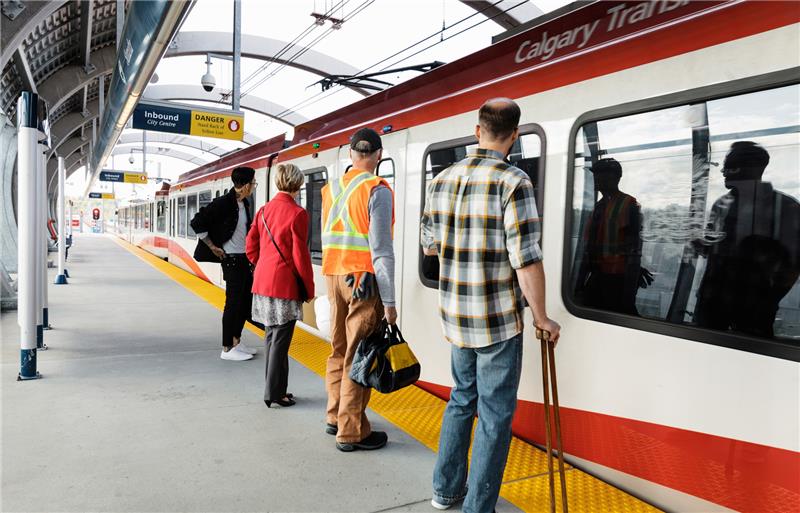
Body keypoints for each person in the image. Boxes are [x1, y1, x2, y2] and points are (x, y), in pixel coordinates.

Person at [421, 98, 561, 513]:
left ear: (477, 129)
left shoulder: (442, 179)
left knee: (461, 399)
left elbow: (430, 246)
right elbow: (526, 258)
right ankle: (477, 507)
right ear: (514, 135)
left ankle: (445, 492)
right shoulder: (514, 181)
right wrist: (541, 316)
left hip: (456, 316)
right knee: (496, 416)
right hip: (497, 321)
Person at [321, 127, 396, 452]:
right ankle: (351, 431)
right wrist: (390, 301)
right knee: (359, 354)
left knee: (339, 348)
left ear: (351, 155)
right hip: (362, 279)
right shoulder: (376, 190)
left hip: (333, 274)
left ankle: (335, 415)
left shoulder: (331, 189)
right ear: (378, 155)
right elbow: (381, 250)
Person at [694, 141, 800, 337]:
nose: (723, 171)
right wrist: (702, 244)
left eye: (729, 166)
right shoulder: (721, 205)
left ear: (753, 168)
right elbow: (712, 248)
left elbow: (793, 265)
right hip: (712, 305)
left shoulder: (786, 208)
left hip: (752, 311)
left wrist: (767, 302)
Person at [246, 163, 315, 408]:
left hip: (262, 284)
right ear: (298, 184)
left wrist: (262, 264)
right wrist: (309, 288)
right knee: (280, 341)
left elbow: (250, 245)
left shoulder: (263, 210)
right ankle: (273, 393)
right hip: (284, 287)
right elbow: (301, 257)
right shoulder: (298, 213)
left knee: (271, 337)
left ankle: (278, 389)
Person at [190, 166, 259, 361]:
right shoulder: (223, 203)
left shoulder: (244, 203)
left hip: (244, 259)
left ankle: (236, 340)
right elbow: (196, 222)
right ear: (245, 185)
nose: (254, 186)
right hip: (231, 260)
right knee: (233, 304)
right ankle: (227, 348)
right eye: (253, 183)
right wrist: (212, 246)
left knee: (245, 303)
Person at [575, 158, 652, 315]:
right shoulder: (599, 206)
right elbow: (591, 246)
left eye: (600, 175)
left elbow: (634, 250)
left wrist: (629, 291)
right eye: (596, 175)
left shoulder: (628, 205)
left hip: (617, 280)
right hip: (599, 276)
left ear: (614, 178)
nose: (596, 179)